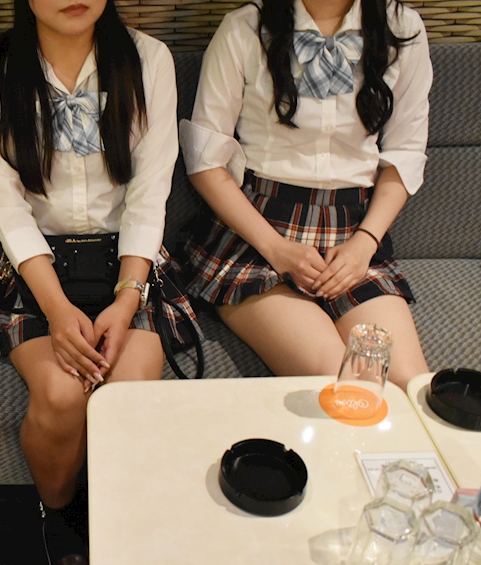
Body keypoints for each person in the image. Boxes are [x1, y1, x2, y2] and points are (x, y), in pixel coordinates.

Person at [0, 0, 196, 565]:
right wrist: (57, 308)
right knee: (63, 395)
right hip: (37, 268)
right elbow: (4, 204)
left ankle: (118, 526)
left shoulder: (148, 59)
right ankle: (60, 521)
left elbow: (151, 190)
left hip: (129, 263)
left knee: (127, 396)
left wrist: (128, 295)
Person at [180, 0, 430, 390]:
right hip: (258, 238)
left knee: (409, 384)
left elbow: (406, 153)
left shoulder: (401, 27)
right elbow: (205, 164)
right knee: (342, 382)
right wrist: (277, 249)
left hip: (353, 235)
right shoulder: (244, 28)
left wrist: (365, 243)